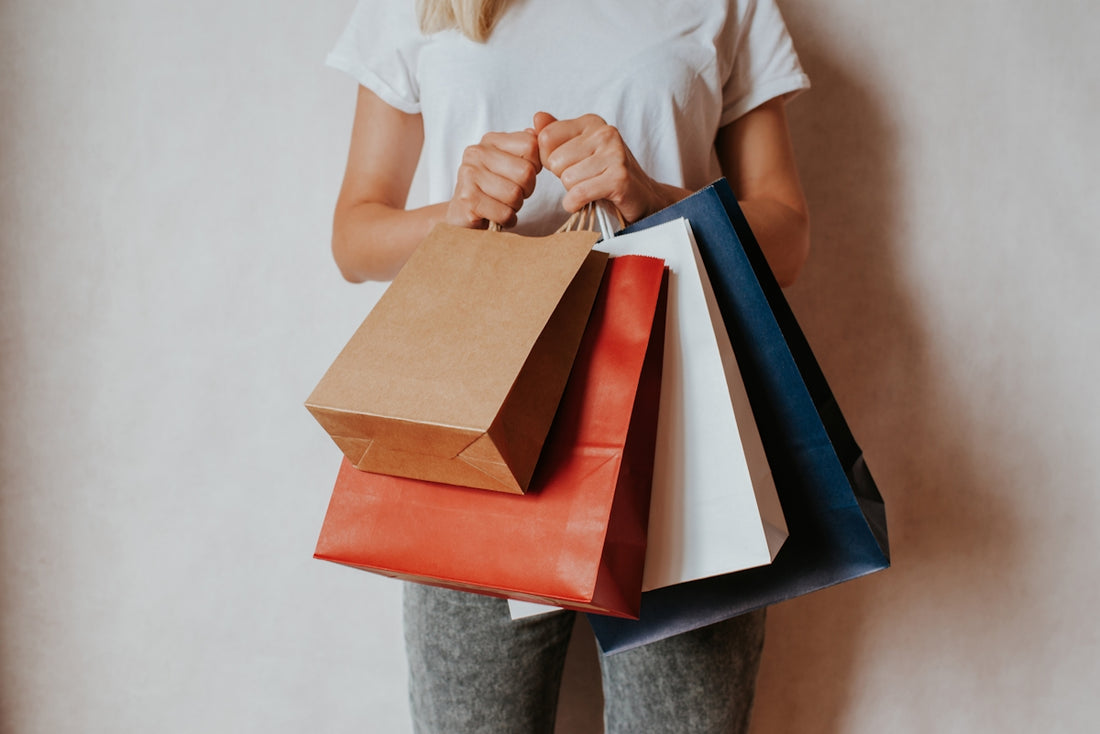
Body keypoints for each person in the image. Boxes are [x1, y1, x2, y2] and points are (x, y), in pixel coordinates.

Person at [325, 1, 811, 731]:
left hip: (679, 422)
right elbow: (354, 237)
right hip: (471, 420)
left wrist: (650, 198)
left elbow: (788, 237)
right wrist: (455, 212)